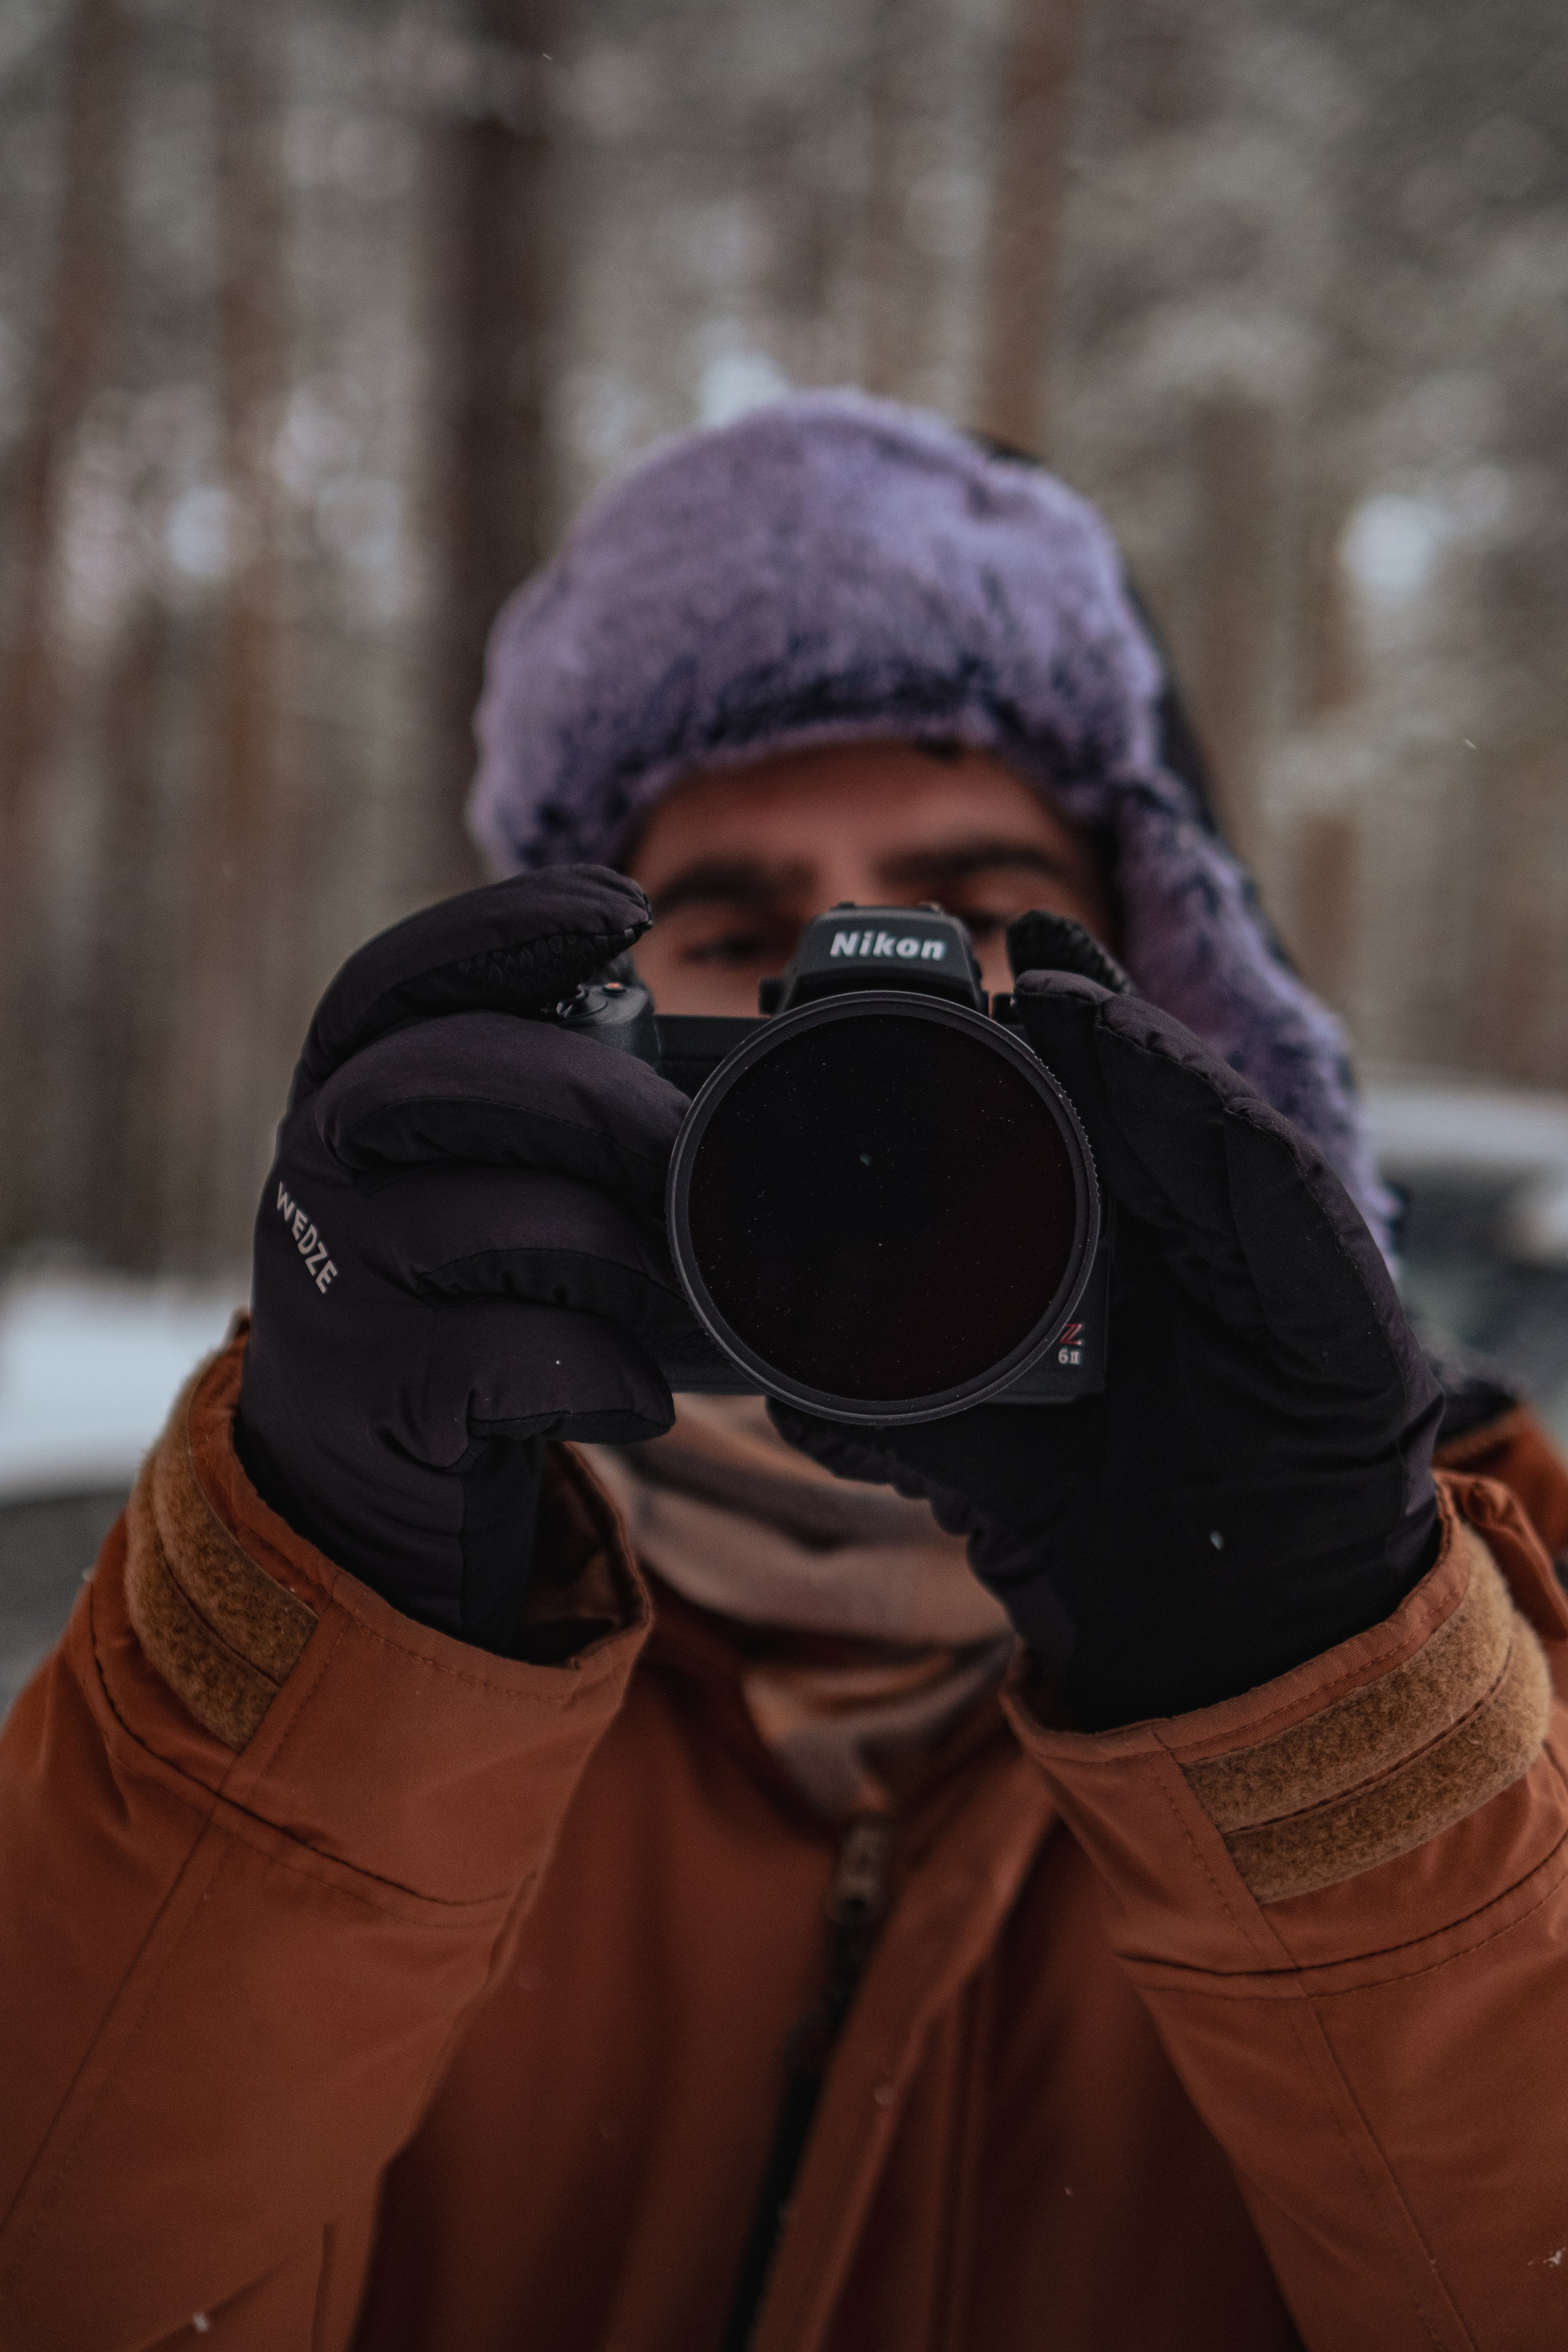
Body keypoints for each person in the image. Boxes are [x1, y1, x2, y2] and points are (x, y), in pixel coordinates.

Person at [4, 393, 1568, 2352]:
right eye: (737, 928)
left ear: (1171, 1009)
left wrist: (1322, 1706)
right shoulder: (410, 1599)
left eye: (978, 916)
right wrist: (313, 1634)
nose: (853, 997)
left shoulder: (1483, 1645)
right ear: (586, 1047)